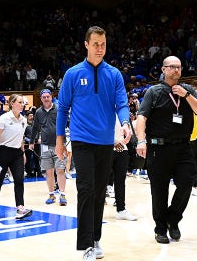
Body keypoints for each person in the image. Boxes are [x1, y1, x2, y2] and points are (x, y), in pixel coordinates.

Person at [55, 26, 131, 260]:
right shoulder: (73, 74)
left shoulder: (115, 75)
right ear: (86, 45)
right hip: (81, 140)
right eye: (96, 44)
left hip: (105, 142)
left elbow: (122, 103)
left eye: (103, 44)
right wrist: (60, 140)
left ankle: (96, 238)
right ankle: (86, 244)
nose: (100, 48)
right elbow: (63, 109)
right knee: (85, 189)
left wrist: (126, 123)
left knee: (99, 192)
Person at [135, 56, 197, 244]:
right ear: (164, 69)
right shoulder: (154, 91)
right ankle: (160, 228)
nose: (176, 70)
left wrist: (187, 95)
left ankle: (173, 220)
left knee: (186, 183)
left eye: (179, 67)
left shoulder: (188, 90)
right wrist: (141, 141)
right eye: (172, 67)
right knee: (159, 190)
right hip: (158, 148)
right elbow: (141, 117)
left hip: (183, 147)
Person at [0, 94, 32, 219]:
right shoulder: (4, 118)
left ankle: (20, 208)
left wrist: (23, 153)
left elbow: (21, 138)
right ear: (12, 103)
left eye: (23, 102)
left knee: (19, 180)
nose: (22, 104)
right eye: (19, 102)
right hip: (2, 152)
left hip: (17, 153)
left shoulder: (23, 120)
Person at [29, 89, 67, 206]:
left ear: (52, 97)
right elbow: (35, 127)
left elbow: (68, 122)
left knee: (60, 170)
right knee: (49, 171)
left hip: (59, 145)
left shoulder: (59, 109)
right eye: (44, 97)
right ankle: (51, 194)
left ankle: (62, 194)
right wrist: (31, 142)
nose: (46, 98)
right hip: (44, 145)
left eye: (48, 96)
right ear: (41, 99)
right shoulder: (39, 112)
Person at [108, 115, 138, 221]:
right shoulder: (105, 107)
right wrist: (114, 141)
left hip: (122, 148)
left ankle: (121, 209)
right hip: (106, 148)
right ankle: (94, 209)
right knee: (101, 180)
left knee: (120, 181)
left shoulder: (123, 113)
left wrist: (128, 136)